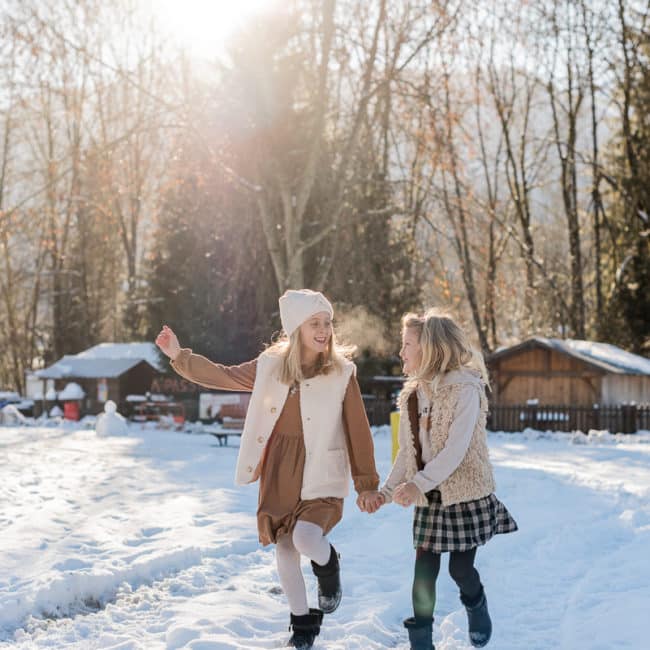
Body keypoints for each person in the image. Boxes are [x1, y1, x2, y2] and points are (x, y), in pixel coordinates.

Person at [155, 289, 380, 649]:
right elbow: (223, 376)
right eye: (314, 324)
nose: (323, 330)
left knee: (307, 539)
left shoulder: (342, 373)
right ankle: (302, 626)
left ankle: (329, 565)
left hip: (321, 469)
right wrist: (179, 356)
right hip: (280, 472)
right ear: (295, 328)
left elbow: (358, 430)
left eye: (327, 323)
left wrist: (366, 483)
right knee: (286, 548)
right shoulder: (270, 366)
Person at [370, 309, 518, 650]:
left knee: (461, 571)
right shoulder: (412, 395)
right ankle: (421, 641)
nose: (401, 353)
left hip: (463, 494)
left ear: (432, 349)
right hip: (429, 495)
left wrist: (415, 484)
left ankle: (476, 604)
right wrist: (388, 491)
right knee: (424, 571)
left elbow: (454, 451)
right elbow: (407, 452)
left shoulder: (466, 390)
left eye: (408, 345)